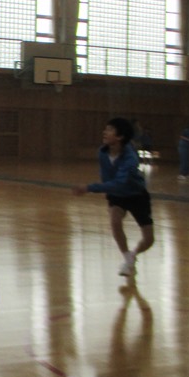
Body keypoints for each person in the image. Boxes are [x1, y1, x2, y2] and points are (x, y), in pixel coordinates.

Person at [72, 117, 154, 278]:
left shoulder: (130, 158)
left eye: (110, 129)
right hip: (116, 196)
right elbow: (108, 180)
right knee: (115, 221)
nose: (105, 132)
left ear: (120, 136)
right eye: (106, 128)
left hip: (137, 195)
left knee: (149, 239)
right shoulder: (102, 153)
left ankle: (133, 255)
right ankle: (127, 259)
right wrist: (104, 189)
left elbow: (119, 183)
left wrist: (89, 188)